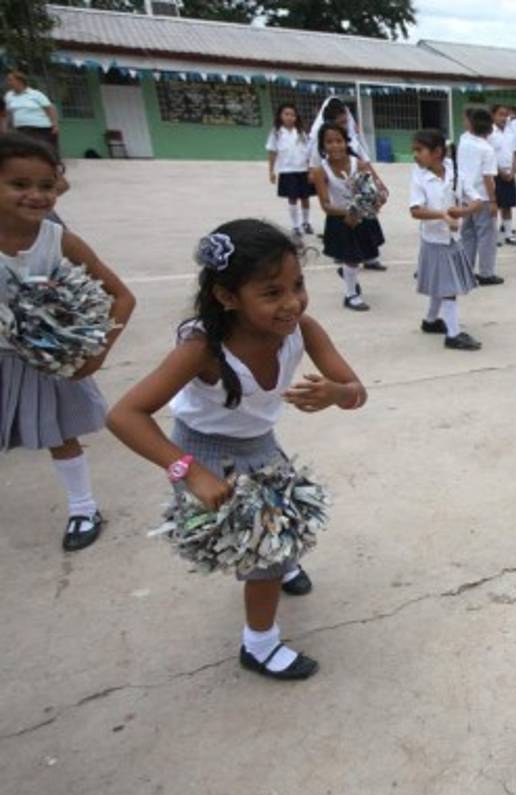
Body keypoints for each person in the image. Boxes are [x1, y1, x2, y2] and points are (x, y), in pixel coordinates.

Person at [106, 219, 367, 681]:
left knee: (283, 525)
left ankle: (283, 567)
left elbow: (356, 392)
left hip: (259, 443)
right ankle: (259, 645)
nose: (292, 302)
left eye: (298, 285)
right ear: (227, 297)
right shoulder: (202, 349)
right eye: (271, 293)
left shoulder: (303, 329)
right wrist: (190, 473)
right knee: (261, 553)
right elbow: (125, 415)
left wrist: (337, 393)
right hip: (204, 452)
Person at [0, 133, 136, 550]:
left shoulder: (59, 240)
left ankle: (83, 507)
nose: (36, 195)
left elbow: (122, 297)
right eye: (19, 184)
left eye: (46, 185)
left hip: (46, 363)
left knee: (59, 434)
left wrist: (95, 354)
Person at [410, 129, 484, 351]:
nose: (415, 155)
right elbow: (415, 210)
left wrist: (463, 211)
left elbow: (477, 200)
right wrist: (443, 215)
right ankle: (453, 334)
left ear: (437, 152)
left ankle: (431, 321)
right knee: (448, 288)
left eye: (420, 150)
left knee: (440, 285)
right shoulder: (419, 176)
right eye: (414, 150)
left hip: (452, 239)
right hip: (434, 240)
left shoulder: (456, 172)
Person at [310, 124, 387, 312]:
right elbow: (326, 205)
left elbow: (376, 189)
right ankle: (351, 295)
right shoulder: (321, 171)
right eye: (329, 142)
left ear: (346, 142)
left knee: (362, 255)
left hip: (362, 217)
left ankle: (347, 274)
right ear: (322, 145)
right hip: (340, 218)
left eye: (339, 141)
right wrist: (350, 211)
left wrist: (378, 199)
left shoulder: (358, 164)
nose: (335, 146)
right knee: (351, 257)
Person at [456, 108, 503, 286]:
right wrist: (493, 201)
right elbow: (487, 177)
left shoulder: (464, 141)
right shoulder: (486, 149)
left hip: (466, 196)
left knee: (468, 234)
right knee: (486, 236)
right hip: (482, 197)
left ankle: (466, 270)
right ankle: (486, 273)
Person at [266, 104, 315, 238]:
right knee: (292, 198)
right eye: (286, 114)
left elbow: (309, 152)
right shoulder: (276, 132)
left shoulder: (301, 132)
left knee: (305, 197)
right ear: (280, 116)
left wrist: (310, 169)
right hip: (287, 171)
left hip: (303, 169)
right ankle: (295, 225)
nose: (289, 117)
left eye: (292, 115)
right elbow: (272, 152)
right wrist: (271, 171)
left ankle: (306, 222)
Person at [488, 105, 516, 245]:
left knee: (508, 204)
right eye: (500, 114)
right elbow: (489, 156)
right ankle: (493, 235)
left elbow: (513, 153)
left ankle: (508, 234)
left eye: (506, 115)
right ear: (493, 115)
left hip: (509, 173)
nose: (503, 118)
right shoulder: (490, 133)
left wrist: (512, 171)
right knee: (495, 204)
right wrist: (500, 172)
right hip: (494, 173)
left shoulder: (511, 132)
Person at [4, 72, 58, 153]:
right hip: (21, 129)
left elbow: (50, 109)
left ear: (20, 81)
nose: (8, 82)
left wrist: (55, 125)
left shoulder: (36, 94)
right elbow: (7, 113)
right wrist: (5, 128)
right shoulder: (8, 95)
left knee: (43, 152)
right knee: (25, 152)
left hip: (41, 128)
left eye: (10, 80)